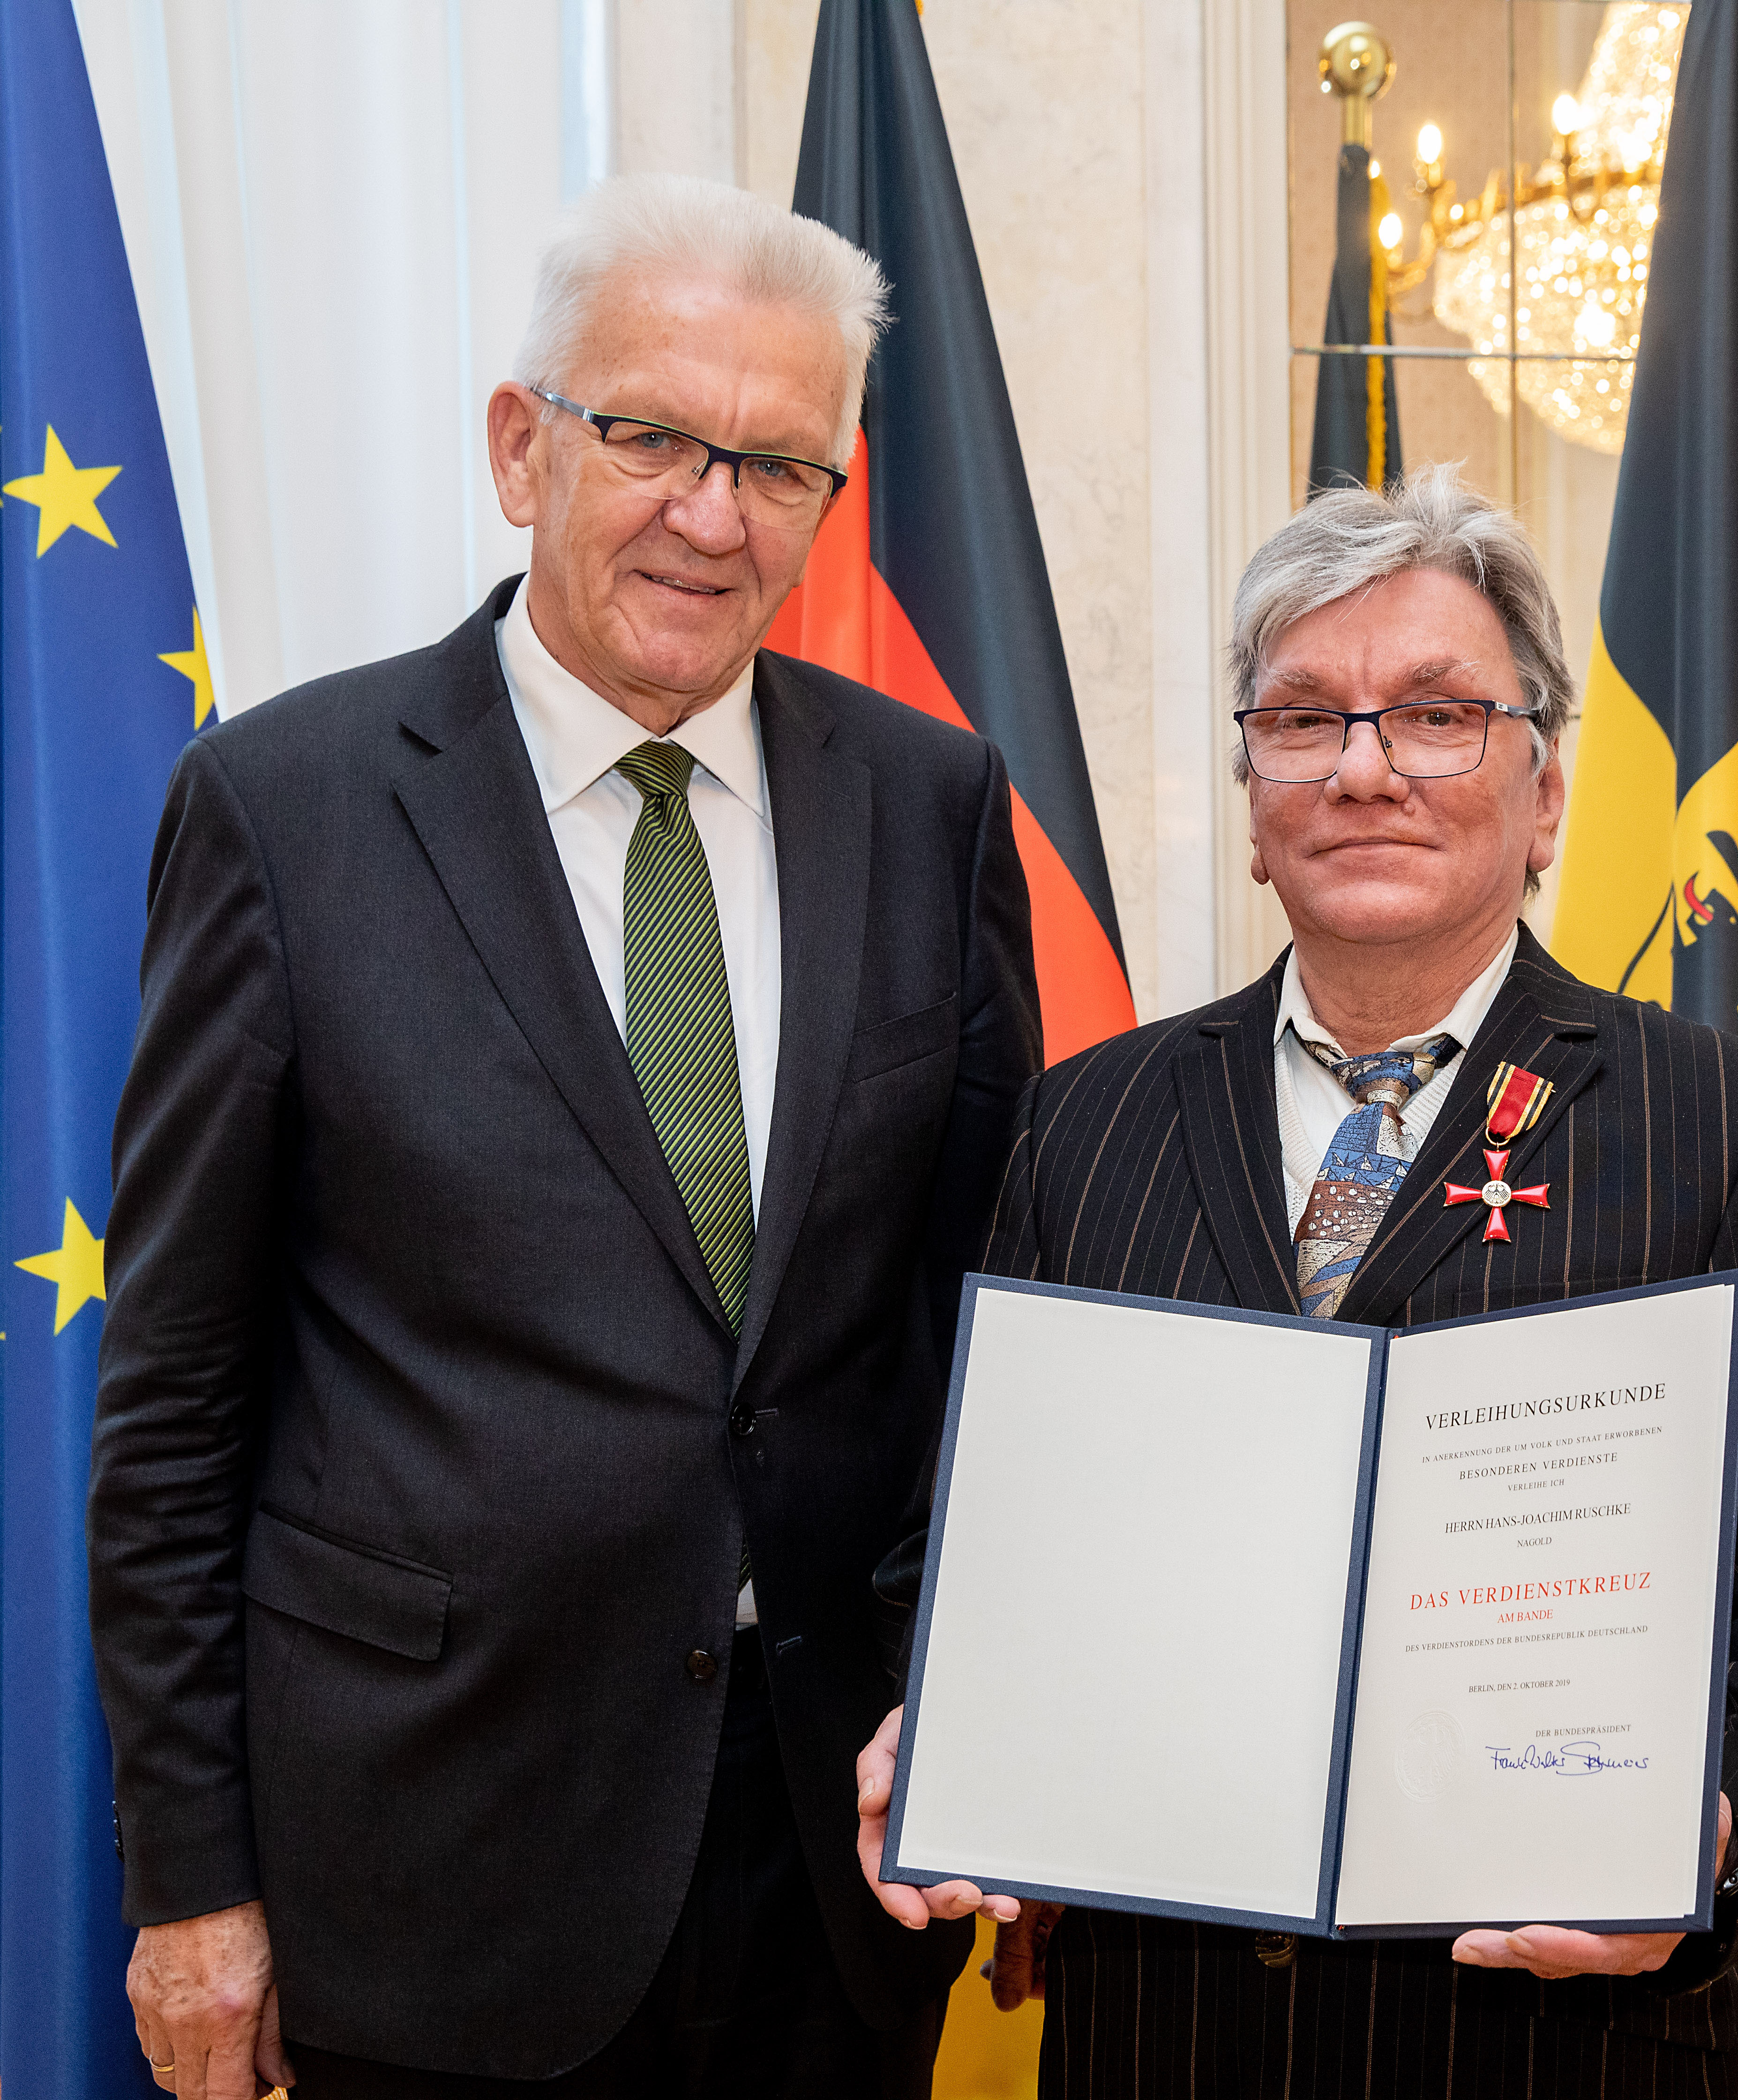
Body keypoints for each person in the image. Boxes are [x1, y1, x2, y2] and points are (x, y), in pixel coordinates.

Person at [88, 173, 1038, 2100]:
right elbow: (175, 1394)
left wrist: (1007, 1733)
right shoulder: (286, 808)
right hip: (433, 1860)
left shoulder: (930, 804)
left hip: (835, 1862)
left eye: (776, 466)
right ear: (522, 446)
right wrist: (193, 1883)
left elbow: (987, 1325)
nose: (713, 513)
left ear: (830, 499)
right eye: (653, 437)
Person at [853, 468, 1738, 2099]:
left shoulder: (1729, 1128)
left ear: (1544, 791)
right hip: (1171, 2043)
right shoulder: (1084, 1124)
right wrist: (944, 1721)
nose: (1365, 768)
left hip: (1564, 2051)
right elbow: (965, 1544)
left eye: (1437, 715)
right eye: (1304, 719)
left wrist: (1705, 1840)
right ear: (1252, 794)